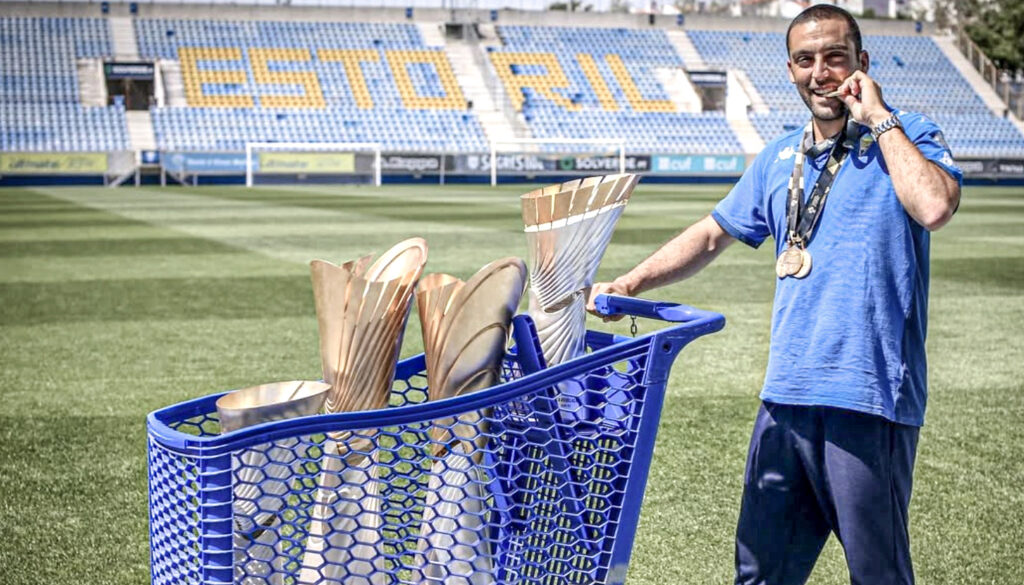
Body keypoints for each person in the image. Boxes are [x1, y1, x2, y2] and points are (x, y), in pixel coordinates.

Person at [586, 6, 961, 585]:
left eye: (835, 56)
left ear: (861, 62)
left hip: (867, 397)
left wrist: (880, 119)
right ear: (790, 70)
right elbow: (711, 234)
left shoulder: (907, 133)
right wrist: (630, 283)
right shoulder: (779, 156)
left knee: (879, 575)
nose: (820, 72)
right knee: (759, 575)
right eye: (806, 60)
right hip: (784, 397)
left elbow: (934, 207)